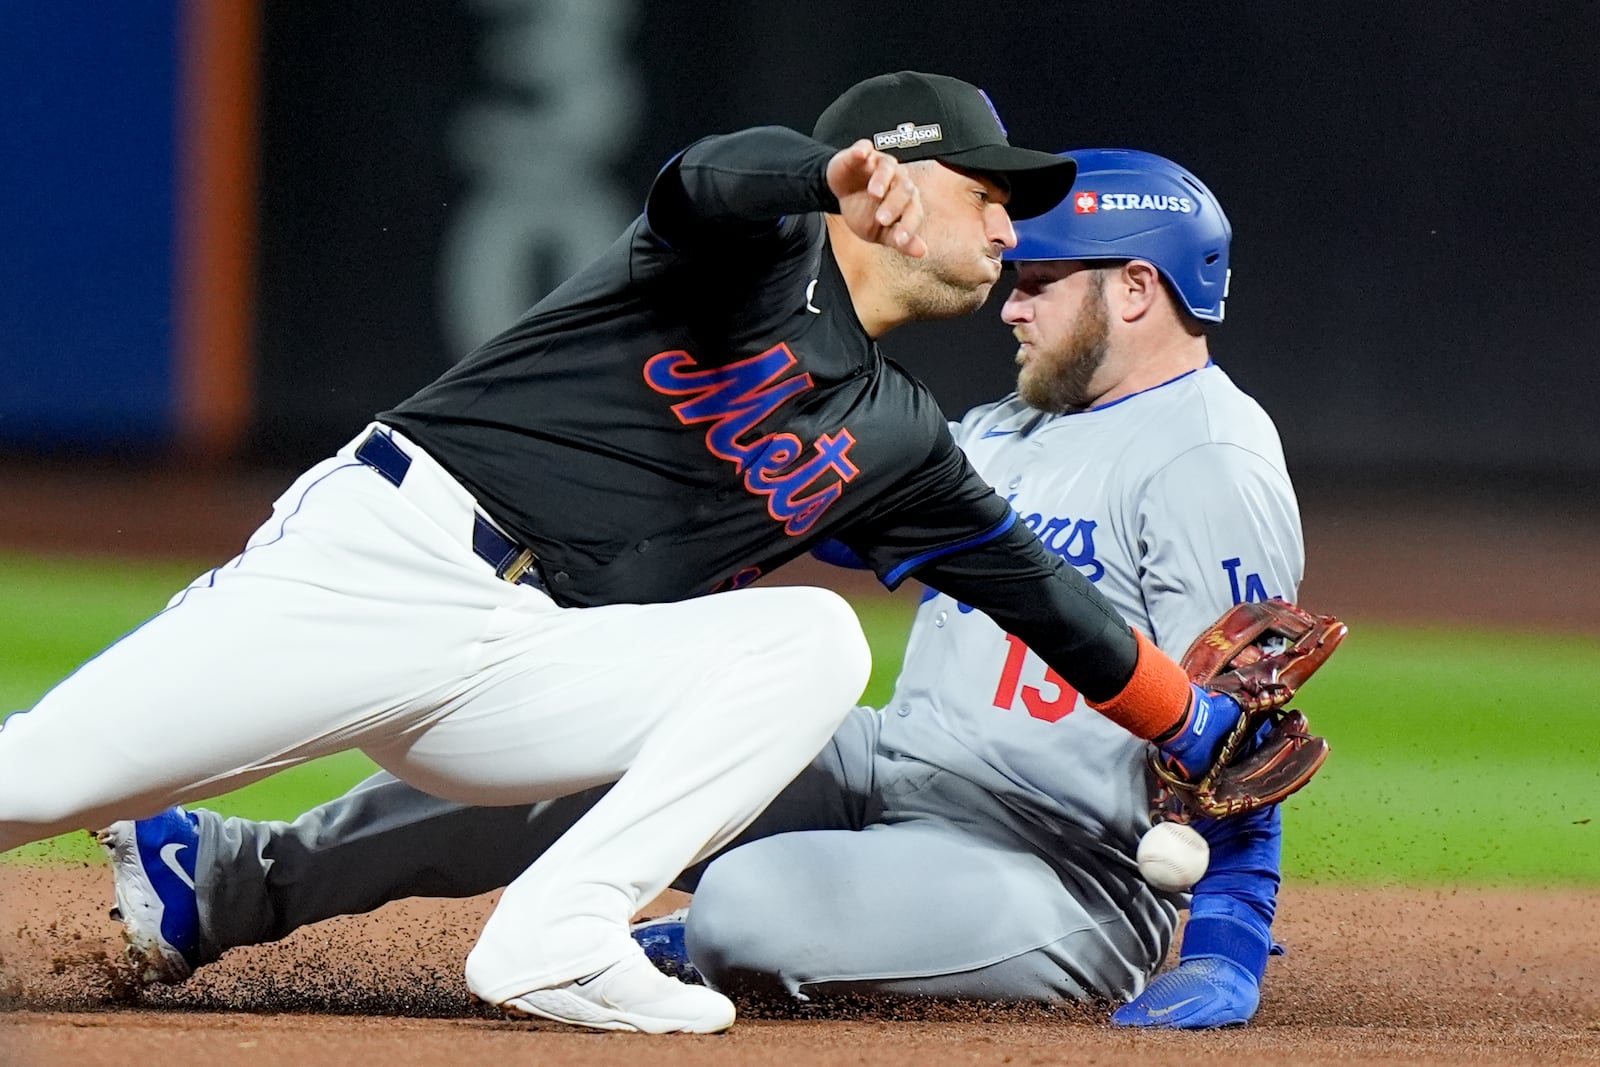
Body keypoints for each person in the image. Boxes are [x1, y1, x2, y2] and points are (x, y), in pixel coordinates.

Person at [0, 73, 1251, 1035]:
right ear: (902, 183)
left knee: (808, 639)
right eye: (990, 189)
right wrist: (822, 174)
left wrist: (1189, 720)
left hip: (529, 666)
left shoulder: (900, 434)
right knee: (38, 783)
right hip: (386, 567)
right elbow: (710, 177)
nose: (1008, 223)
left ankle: (558, 933)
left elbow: (1037, 592)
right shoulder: (755, 254)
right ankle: (210, 864)